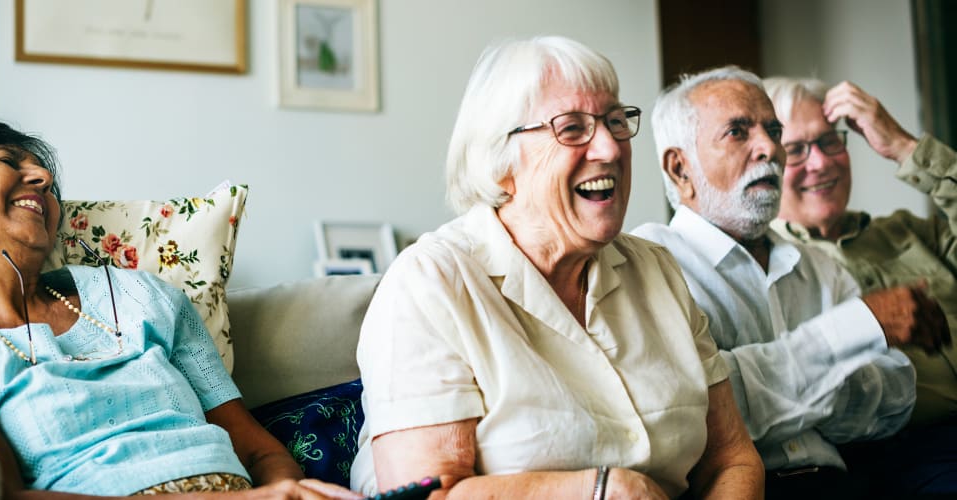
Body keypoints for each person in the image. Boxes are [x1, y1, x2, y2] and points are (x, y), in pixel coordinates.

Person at [349, 36, 763, 499]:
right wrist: (603, 491)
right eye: (571, 128)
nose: (609, 148)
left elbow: (733, 458)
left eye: (614, 121)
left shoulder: (656, 269)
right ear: (500, 162)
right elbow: (427, 495)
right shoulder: (431, 284)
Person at [0, 119, 359, 499]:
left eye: (46, 177)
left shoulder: (139, 295)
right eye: (9, 161)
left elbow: (260, 452)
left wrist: (289, 491)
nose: (44, 180)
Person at [631, 66, 950, 500]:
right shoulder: (651, 260)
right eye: (738, 132)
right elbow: (699, 412)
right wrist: (852, 335)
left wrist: (769, 380)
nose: (769, 148)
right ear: (680, 168)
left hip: (843, 485)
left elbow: (895, 396)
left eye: (772, 130)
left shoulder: (818, 265)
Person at [764, 76, 957, 496]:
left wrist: (906, 148)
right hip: (903, 454)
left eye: (830, 141)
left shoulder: (908, 231)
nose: (820, 163)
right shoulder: (771, 265)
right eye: (795, 150)